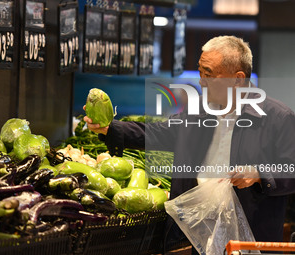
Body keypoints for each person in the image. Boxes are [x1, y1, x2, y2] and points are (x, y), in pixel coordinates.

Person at [83, 35, 295, 253]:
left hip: (251, 239)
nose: (201, 81)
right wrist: (110, 128)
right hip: (201, 234)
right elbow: (159, 133)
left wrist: (259, 173)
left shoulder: (278, 118)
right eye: (200, 71)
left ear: (238, 79)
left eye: (209, 74)